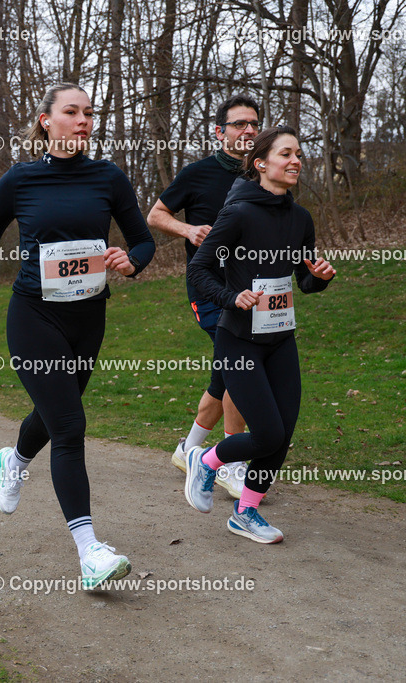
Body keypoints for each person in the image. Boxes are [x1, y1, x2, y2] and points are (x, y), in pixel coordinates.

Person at [0, 82, 156, 590]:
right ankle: (90, 551)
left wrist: (131, 261)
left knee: (54, 415)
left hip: (88, 317)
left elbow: (142, 239)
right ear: (47, 121)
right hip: (34, 316)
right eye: (72, 112)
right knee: (70, 424)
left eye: (89, 113)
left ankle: (15, 458)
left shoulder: (109, 178)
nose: (84, 121)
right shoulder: (21, 179)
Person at [186, 126, 336, 544]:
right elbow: (199, 269)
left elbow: (302, 283)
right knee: (266, 432)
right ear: (261, 164)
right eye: (286, 154)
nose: (295, 161)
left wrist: (318, 278)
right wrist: (231, 298)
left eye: (299, 154)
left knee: (282, 434)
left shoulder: (300, 219)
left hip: (280, 338)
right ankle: (207, 459)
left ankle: (245, 512)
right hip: (239, 340)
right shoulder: (237, 214)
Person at [147, 95, 260, 498]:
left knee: (225, 372)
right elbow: (155, 215)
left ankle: (189, 449)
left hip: (251, 291)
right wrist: (188, 230)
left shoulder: (262, 176)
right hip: (209, 288)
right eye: (239, 124)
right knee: (239, 367)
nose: (248, 130)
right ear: (220, 131)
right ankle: (230, 461)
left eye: (253, 124)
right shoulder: (197, 173)